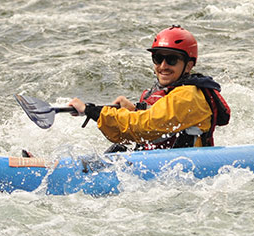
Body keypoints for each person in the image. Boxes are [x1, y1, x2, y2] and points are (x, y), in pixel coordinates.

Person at [69, 26, 231, 149]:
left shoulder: (188, 96)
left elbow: (145, 126)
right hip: (166, 161)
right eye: (158, 58)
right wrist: (132, 110)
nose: (163, 66)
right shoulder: (172, 90)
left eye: (172, 60)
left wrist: (92, 111)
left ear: (188, 66)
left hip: (184, 167)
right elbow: (153, 123)